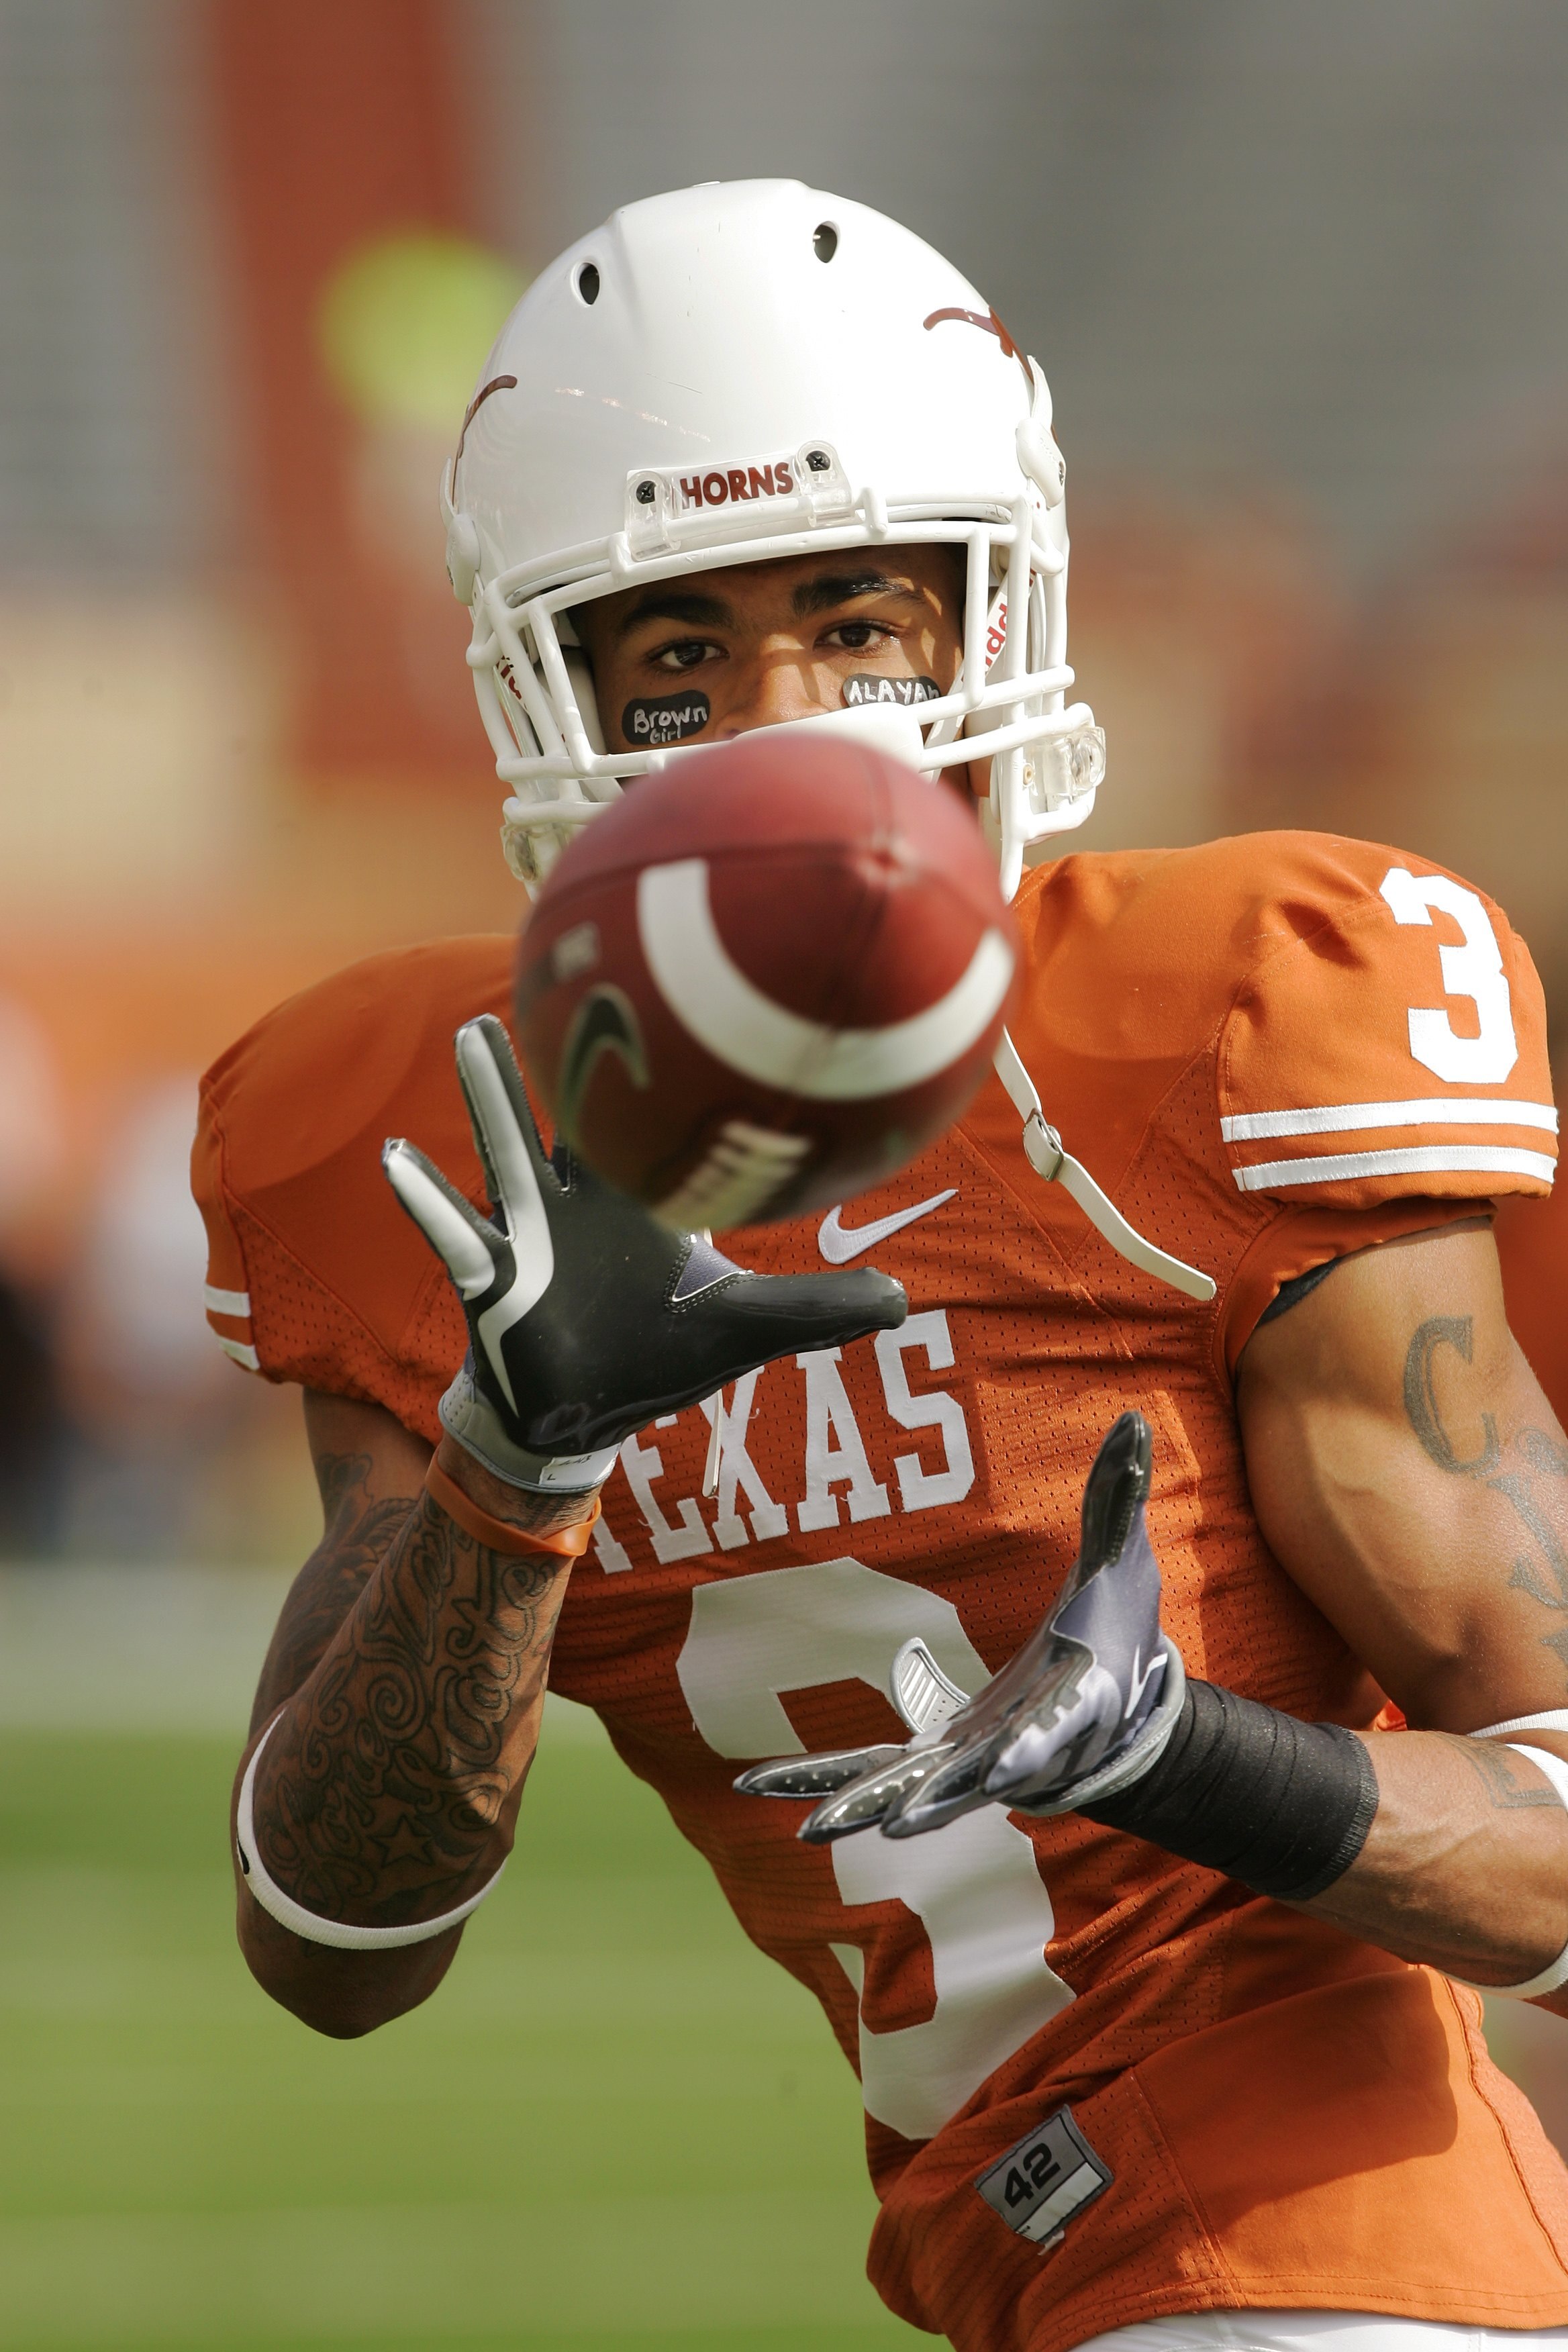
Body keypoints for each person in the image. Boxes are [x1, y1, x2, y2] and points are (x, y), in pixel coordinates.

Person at [197, 183, 1568, 2351]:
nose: (787, 720)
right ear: (535, 684)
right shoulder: (421, 1129)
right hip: (1035, 2264)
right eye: (675, 652)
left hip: (1320, 2271)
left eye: (859, 624)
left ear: (993, 620)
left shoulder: (1224, 1023)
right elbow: (333, 1942)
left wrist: (1186, 1755)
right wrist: (513, 1462)